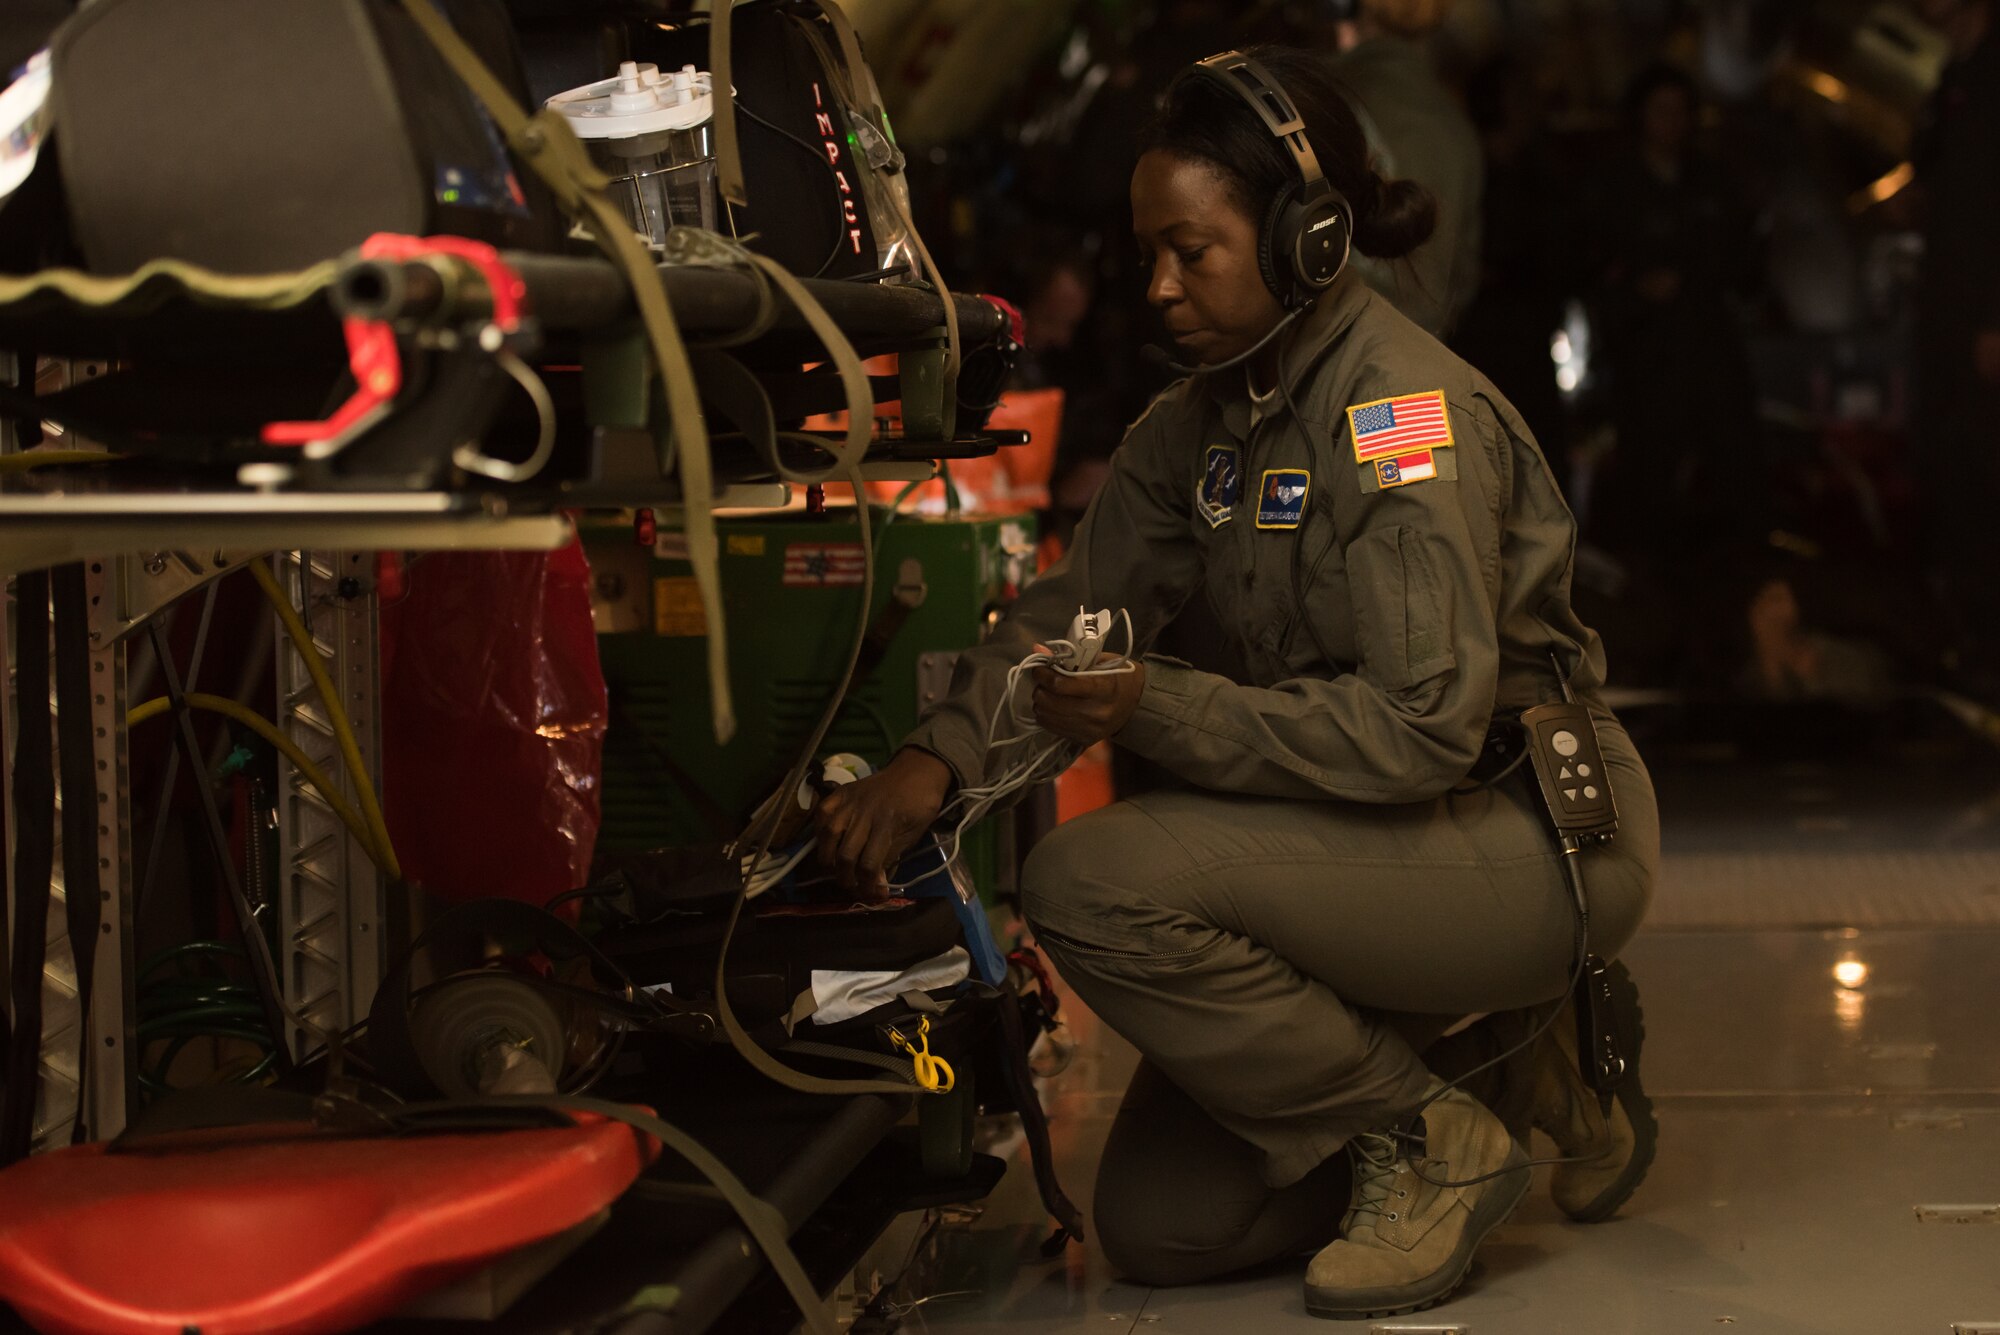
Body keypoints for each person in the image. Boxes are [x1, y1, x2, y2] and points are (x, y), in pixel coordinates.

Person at [815, 46, 1658, 1319]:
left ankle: (1434, 1143)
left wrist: (1158, 704)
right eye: (1145, 251)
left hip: (1525, 832)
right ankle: (1503, 1067)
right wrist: (935, 761)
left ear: (1307, 242)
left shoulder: (1396, 421)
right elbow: (1069, 614)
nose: (1155, 286)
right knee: (1165, 1231)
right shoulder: (1201, 422)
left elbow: (1421, 732)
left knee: (1088, 879)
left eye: (1189, 251)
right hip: (1378, 841)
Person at [1911, 0, 2000, 680]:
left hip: (1981, 320)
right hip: (1947, 313)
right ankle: (1971, 644)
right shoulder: (1952, 79)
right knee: (1955, 473)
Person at [1331, 0, 1484, 338]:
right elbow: (1465, 276)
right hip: (1427, 358)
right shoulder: (1459, 127)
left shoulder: (1323, 98)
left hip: (1342, 356)